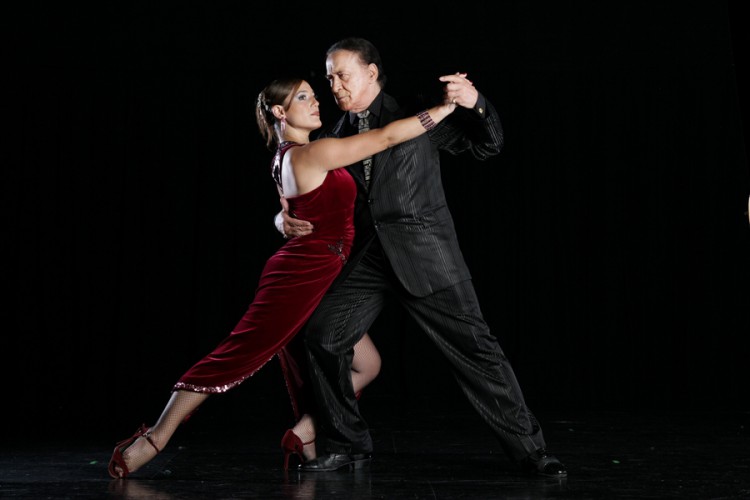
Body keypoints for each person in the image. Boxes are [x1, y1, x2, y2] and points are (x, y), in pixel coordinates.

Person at [106, 76, 457, 479]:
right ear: (279, 112)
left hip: (324, 272)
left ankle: (304, 434)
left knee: (368, 364)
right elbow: (387, 137)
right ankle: (154, 439)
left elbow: (290, 210)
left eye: (312, 94)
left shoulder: (295, 155)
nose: (316, 102)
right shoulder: (309, 154)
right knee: (236, 355)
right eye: (303, 97)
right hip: (301, 273)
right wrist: (444, 111)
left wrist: (280, 219)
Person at [278, 37, 567, 478]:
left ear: (372, 72)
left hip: (427, 253)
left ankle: (531, 451)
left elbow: (487, 146)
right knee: (322, 335)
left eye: (343, 74)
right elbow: (305, 193)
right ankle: (349, 443)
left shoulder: (416, 114)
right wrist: (281, 221)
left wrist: (474, 103)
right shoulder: (333, 136)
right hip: (370, 258)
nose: (334, 85)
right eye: (330, 76)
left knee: (478, 353)